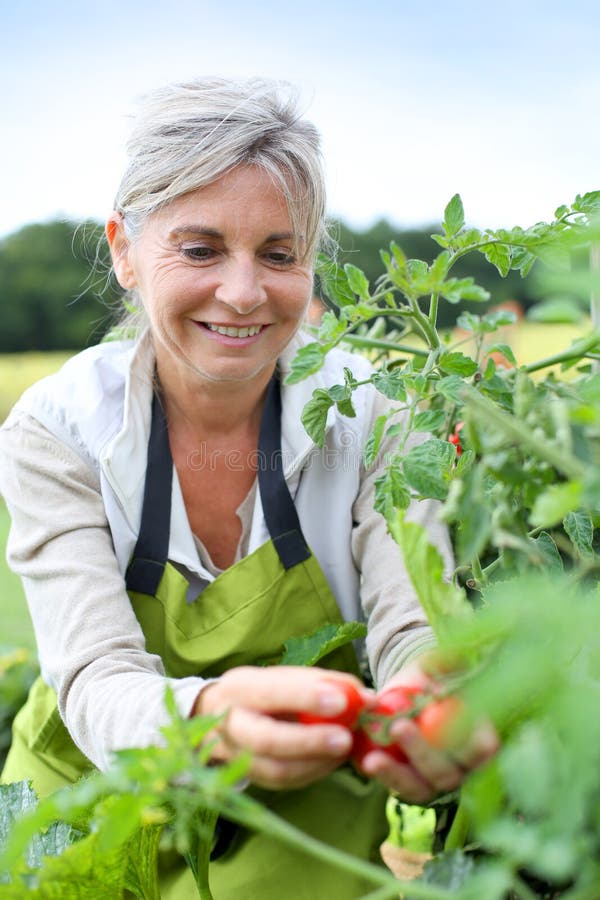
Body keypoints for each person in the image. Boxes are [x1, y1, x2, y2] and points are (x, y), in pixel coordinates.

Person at [0, 78, 495, 898]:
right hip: (88, 800)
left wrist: (422, 709)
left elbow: (415, 623)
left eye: (278, 253)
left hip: (301, 825)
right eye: (199, 249)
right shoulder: (59, 431)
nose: (242, 293)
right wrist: (206, 721)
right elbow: (95, 678)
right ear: (124, 249)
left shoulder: (373, 414)